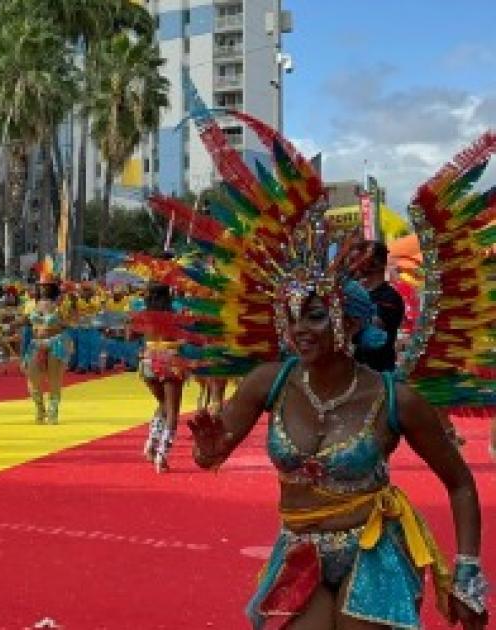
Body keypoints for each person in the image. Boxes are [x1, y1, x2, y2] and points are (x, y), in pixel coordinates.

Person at [159, 110, 488, 628]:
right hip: (299, 550)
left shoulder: (396, 398)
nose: (300, 329)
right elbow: (213, 454)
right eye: (292, 317)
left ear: (353, 326)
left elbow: (461, 483)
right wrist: (207, 449)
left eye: (316, 315)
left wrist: (468, 573)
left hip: (375, 549)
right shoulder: (271, 381)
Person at [136, 282, 188, 473]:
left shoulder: (143, 315)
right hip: (170, 361)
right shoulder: (175, 315)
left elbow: (131, 335)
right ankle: (161, 455)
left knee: (163, 404)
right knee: (172, 412)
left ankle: (150, 445)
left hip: (148, 362)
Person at [19, 262, 71, 425]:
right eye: (41, 286)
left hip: (55, 342)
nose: (44, 288)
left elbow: (70, 321)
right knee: (32, 378)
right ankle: (40, 409)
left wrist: (61, 321)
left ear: (53, 287)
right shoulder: (31, 304)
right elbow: (24, 320)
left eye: (47, 286)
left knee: (54, 379)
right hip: (36, 343)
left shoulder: (61, 304)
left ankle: (53, 411)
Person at [351, 241, 405, 373]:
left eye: (361, 259)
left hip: (379, 374)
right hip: (353, 373)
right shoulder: (352, 292)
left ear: (378, 264)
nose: (354, 265)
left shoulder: (390, 297)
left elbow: (374, 327)